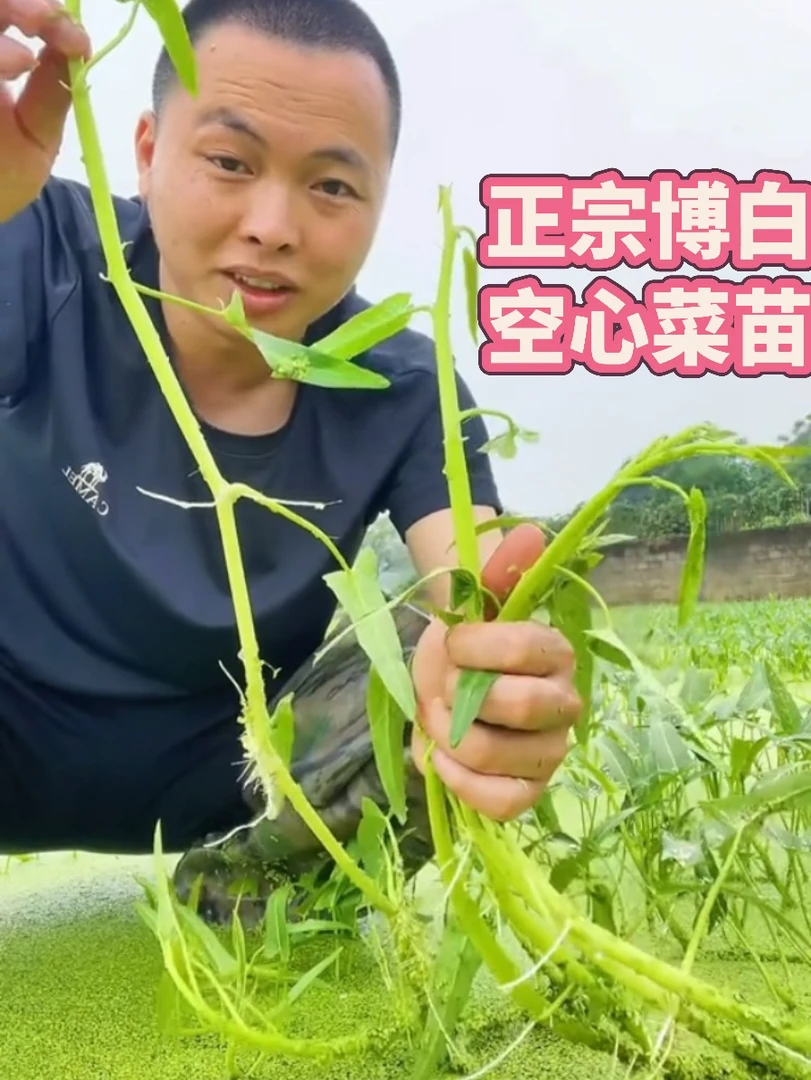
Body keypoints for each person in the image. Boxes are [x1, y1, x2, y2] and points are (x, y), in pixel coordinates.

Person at [0, 0, 581, 925]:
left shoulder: (401, 383)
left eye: (332, 187)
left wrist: (493, 673)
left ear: (380, 202)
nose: (272, 226)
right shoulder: (35, 239)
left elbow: (469, 573)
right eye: (230, 163)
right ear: (146, 152)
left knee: (460, 657)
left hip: (237, 783)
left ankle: (252, 890)